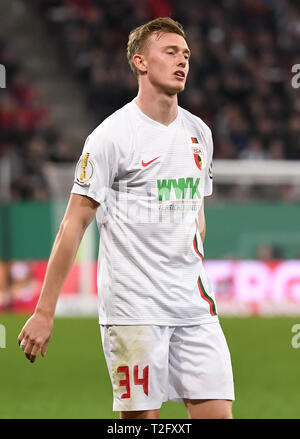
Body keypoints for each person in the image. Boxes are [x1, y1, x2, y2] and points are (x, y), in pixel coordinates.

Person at [18, 17, 235, 419]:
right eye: (170, 52)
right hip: (134, 310)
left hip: (194, 306)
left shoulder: (199, 133)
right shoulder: (111, 136)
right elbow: (73, 225)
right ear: (140, 62)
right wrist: (45, 311)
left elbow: (197, 215)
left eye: (186, 54)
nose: (182, 60)